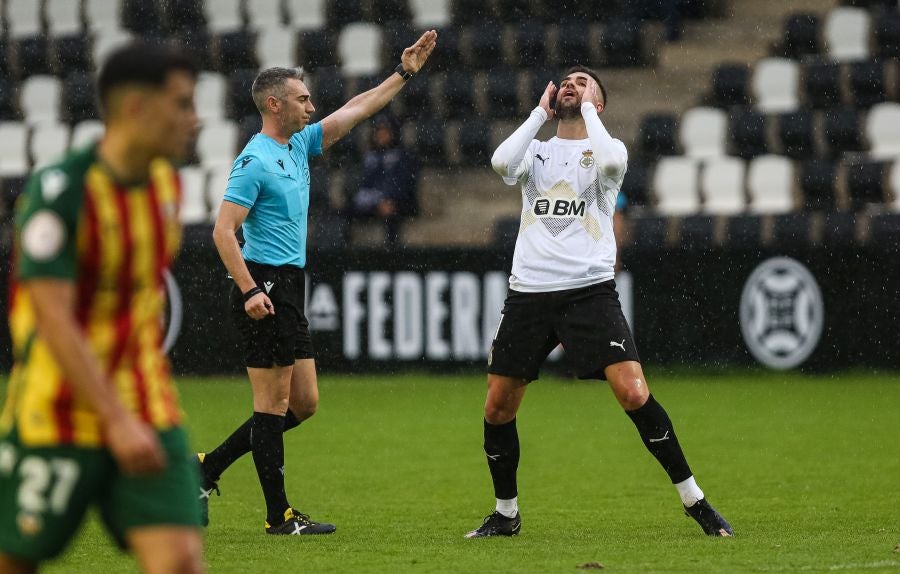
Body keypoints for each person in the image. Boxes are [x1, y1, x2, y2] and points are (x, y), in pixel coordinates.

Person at [465, 66, 733, 539]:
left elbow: (610, 166)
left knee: (632, 391)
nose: (571, 84)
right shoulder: (538, 151)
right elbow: (501, 164)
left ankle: (695, 501)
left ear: (599, 103)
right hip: (529, 292)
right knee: (497, 407)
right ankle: (506, 514)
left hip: (588, 291)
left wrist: (587, 108)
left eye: (583, 82)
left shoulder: (608, 151)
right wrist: (537, 114)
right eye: (566, 80)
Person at [198, 31, 437, 536]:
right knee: (271, 406)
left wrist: (404, 72)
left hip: (288, 285)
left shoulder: (299, 144)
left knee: (303, 404)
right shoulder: (255, 160)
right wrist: (248, 291)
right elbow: (223, 231)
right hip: (262, 285)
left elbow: (357, 109)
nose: (311, 105)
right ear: (273, 103)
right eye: (302, 98)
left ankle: (206, 467)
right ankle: (278, 516)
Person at [0, 44, 204, 573]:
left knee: (181, 560)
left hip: (147, 407)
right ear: (136, 108)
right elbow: (51, 317)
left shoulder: (167, 186)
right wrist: (114, 421)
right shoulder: (60, 193)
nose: (195, 119)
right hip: (55, 412)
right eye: (181, 104)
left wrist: (129, 415)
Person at [350, 114, 419, 246]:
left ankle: (391, 256)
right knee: (345, 211)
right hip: (374, 202)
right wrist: (375, 201)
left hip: (398, 203)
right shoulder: (369, 158)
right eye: (378, 131)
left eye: (385, 131)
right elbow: (363, 185)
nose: (381, 135)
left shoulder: (403, 157)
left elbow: (405, 185)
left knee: (392, 216)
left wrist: (391, 200)